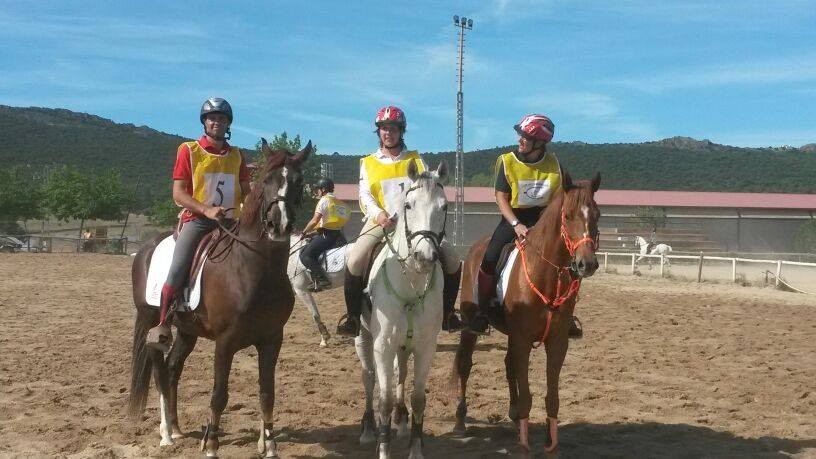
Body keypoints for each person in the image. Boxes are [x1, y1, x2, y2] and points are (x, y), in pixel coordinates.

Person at [336, 105, 464, 337]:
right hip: (382, 222)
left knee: (453, 259)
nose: (388, 133)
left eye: (393, 128)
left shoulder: (416, 159)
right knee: (355, 260)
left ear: (401, 131)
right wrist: (378, 214)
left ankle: (448, 314)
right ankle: (353, 317)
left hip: (417, 225)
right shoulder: (368, 163)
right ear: (379, 132)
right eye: (384, 129)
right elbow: (364, 195)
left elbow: (430, 191)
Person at [147, 97, 252, 351]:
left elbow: (246, 191)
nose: (217, 121)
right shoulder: (189, 150)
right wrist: (206, 209)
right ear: (204, 122)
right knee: (179, 265)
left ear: (228, 123)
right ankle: (163, 322)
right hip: (198, 221)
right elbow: (178, 193)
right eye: (212, 118)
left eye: (222, 118)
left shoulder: (237, 155)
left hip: (231, 222)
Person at [470, 114, 582, 337]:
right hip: (513, 219)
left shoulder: (555, 165)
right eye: (520, 134)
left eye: (526, 136)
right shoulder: (506, 161)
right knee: (490, 257)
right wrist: (516, 225)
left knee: (572, 263)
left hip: (545, 221)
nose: (520, 139)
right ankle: (483, 311)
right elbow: (501, 197)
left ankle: (567, 316)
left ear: (539, 143)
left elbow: (561, 197)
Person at [298, 177, 350, 292]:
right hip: (339, 236)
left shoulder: (324, 200)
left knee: (305, 255)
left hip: (327, 237)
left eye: (318, 189)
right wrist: (310, 235)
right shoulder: (338, 202)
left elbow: (314, 221)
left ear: (323, 189)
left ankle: (322, 280)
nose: (317, 192)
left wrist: (304, 232)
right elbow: (328, 225)